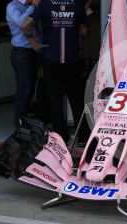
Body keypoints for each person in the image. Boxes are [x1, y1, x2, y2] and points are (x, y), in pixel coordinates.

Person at [22, 0, 90, 144]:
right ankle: (83, 137)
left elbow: (26, 24)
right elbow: (84, 31)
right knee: (77, 99)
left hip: (51, 59)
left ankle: (61, 137)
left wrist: (33, 43)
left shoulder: (45, 4)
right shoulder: (77, 4)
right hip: (72, 59)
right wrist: (76, 38)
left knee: (55, 100)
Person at [6, 0, 42, 127]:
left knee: (30, 91)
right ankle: (20, 128)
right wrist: (33, 6)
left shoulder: (28, 6)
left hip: (33, 52)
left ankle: (26, 125)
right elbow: (22, 23)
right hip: (22, 54)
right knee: (24, 91)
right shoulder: (12, 6)